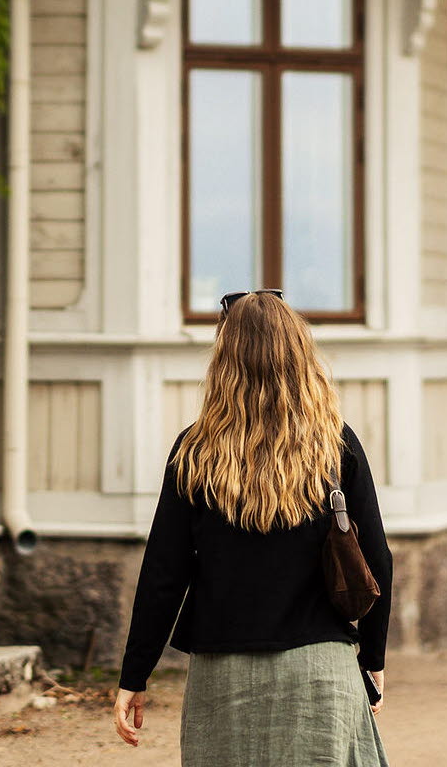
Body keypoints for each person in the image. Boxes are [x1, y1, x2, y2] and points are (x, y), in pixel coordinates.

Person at [112, 288, 394, 763]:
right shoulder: (336, 444)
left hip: (225, 674)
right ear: (299, 354)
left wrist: (134, 676)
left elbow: (164, 575)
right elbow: (377, 559)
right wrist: (373, 658)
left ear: (224, 358)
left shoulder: (195, 451)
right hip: (322, 668)